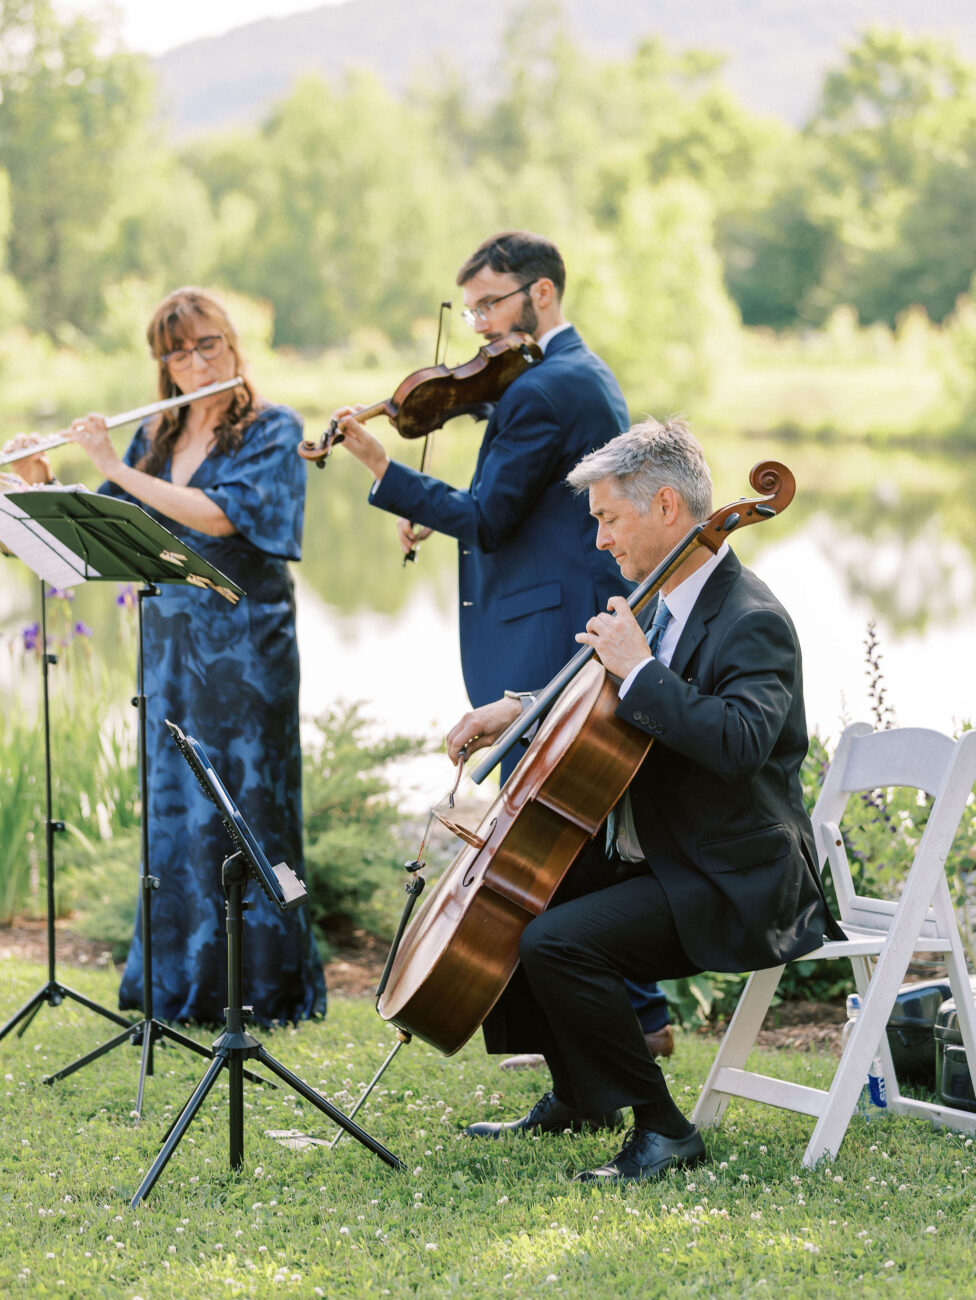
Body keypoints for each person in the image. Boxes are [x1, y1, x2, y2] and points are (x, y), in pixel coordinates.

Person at [444, 416, 845, 1182]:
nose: (600, 540)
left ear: (666, 506)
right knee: (513, 891)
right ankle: (579, 1096)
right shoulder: (661, 603)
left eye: (608, 518)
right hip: (666, 850)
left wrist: (641, 671)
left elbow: (738, 744)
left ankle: (665, 1129)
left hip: (732, 875)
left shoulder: (753, 620)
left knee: (559, 941)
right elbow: (603, 700)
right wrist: (518, 707)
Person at [328, 229, 671, 1059]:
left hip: (547, 628)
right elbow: (515, 498)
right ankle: (627, 1019)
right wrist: (435, 483)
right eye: (472, 307)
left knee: (561, 836)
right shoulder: (567, 375)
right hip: (561, 612)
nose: (478, 323)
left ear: (540, 294)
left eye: (490, 304)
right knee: (567, 829)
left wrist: (382, 467)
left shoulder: (546, 388)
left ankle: (633, 1018)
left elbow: (486, 516)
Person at [8, 287, 326, 1026]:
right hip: (169, 651)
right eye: (178, 352)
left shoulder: (273, 428)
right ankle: (176, 987)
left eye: (208, 344)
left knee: (248, 810)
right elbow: (107, 524)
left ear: (232, 344)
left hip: (246, 651)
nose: (196, 362)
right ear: (164, 363)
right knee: (175, 812)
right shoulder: (157, 434)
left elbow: (223, 515)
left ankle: (264, 991)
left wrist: (113, 467)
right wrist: (40, 483)